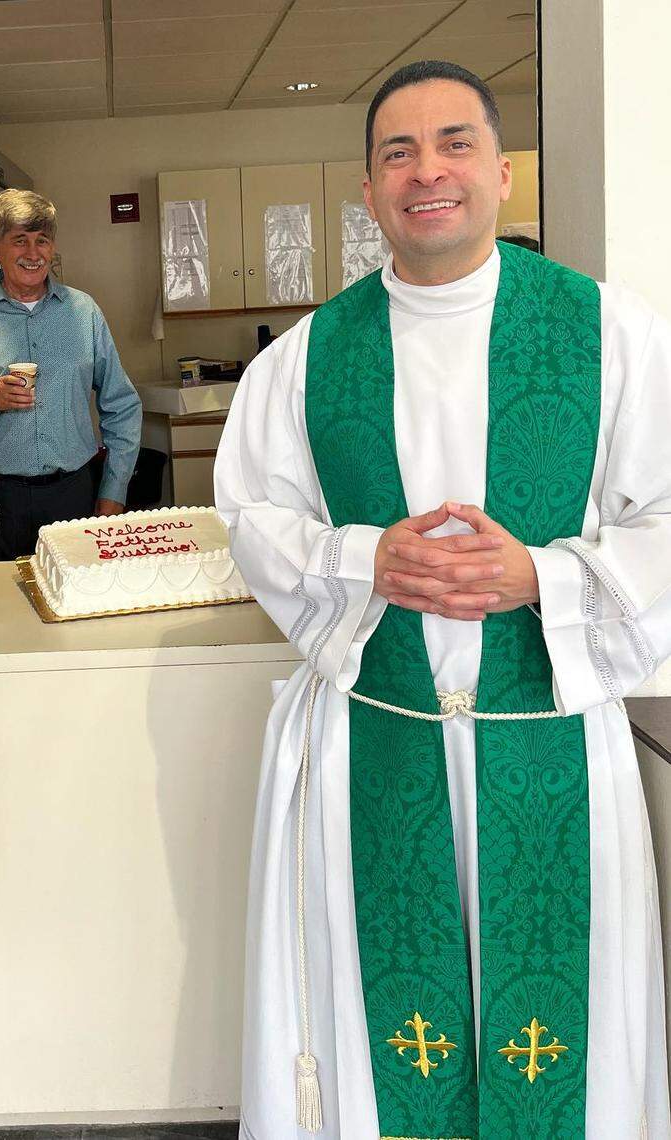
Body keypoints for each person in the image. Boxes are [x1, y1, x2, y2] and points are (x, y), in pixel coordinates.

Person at [216, 60, 671, 1139]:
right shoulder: (304, 360)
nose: (429, 172)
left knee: (561, 1052)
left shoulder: (610, 334)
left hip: (550, 739)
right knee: (384, 1042)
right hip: (376, 740)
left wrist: (543, 575)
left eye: (455, 143)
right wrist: (365, 562)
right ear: (368, 191)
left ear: (502, 173)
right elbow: (252, 519)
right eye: (398, 153)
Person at [0, 189, 142, 560]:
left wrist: (113, 493)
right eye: (20, 241)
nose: (33, 254)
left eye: (43, 241)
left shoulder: (83, 313)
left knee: (76, 606)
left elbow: (123, 406)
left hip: (73, 494)